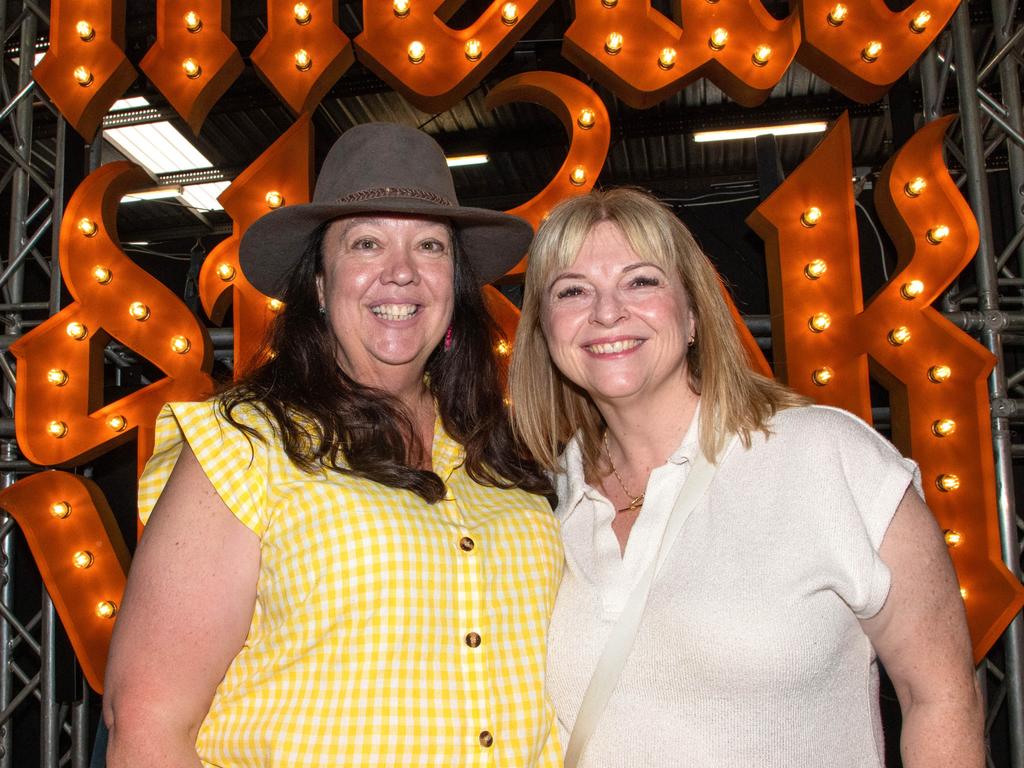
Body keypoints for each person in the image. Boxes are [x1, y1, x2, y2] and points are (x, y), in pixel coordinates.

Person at [102, 122, 563, 767]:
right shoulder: (247, 443)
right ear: (319, 286)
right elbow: (146, 722)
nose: (400, 274)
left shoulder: (508, 454)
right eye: (367, 244)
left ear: (453, 286)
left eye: (429, 247)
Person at [508, 187, 984, 767]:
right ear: (546, 331)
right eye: (573, 291)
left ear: (691, 314)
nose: (607, 311)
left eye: (641, 281)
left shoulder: (826, 456)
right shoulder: (545, 501)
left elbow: (940, 697)